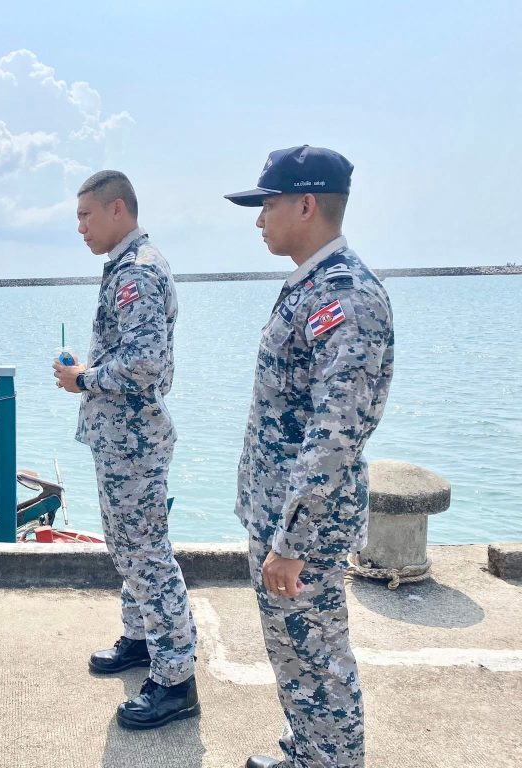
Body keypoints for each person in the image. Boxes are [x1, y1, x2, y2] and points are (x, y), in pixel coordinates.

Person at [224, 146, 394, 768]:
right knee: (293, 650)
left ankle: (330, 760)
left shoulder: (345, 297)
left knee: (319, 659)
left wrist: (292, 539)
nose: (258, 219)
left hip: (305, 527)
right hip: (280, 513)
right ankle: (308, 751)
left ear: (306, 205)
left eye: (267, 205)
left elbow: (336, 434)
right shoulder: (312, 286)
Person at [53, 171, 199, 729]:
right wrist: (89, 373)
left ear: (118, 209)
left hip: (133, 441)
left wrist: (83, 380)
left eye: (86, 216)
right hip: (121, 439)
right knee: (128, 548)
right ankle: (141, 640)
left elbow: (145, 364)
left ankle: (176, 681)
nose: (81, 228)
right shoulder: (126, 266)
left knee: (147, 555)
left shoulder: (137, 272)